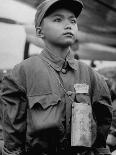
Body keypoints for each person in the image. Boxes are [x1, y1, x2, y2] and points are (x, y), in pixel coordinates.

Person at [0, 0, 112, 155]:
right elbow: (13, 143)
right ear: (39, 32)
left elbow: (101, 137)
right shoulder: (22, 73)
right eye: (58, 19)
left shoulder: (93, 77)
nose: (68, 25)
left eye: (73, 20)